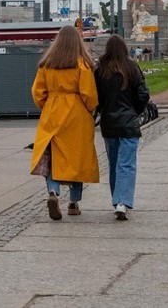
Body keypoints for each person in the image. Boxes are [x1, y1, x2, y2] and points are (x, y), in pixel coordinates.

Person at [30, 25, 99, 220]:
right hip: (76, 114)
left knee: (54, 158)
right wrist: (90, 109)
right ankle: (73, 203)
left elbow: (37, 93)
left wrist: (49, 105)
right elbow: (89, 94)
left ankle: (53, 192)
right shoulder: (81, 64)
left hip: (52, 112)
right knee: (76, 159)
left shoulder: (47, 64)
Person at [95, 35, 150, 220]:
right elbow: (143, 94)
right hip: (129, 124)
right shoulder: (132, 67)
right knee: (126, 164)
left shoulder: (100, 70)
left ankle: (116, 200)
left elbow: (96, 97)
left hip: (109, 124)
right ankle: (122, 202)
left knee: (114, 164)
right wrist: (135, 111)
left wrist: (101, 111)